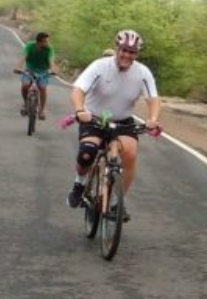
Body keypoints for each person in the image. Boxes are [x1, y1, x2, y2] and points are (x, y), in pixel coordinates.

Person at [66, 29, 163, 216]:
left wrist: (153, 119)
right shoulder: (99, 66)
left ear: (137, 53)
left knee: (131, 154)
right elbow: (78, 90)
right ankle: (79, 183)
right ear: (117, 48)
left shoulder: (143, 72)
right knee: (87, 153)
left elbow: (153, 99)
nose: (127, 55)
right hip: (93, 118)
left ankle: (117, 202)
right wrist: (80, 110)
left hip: (122, 121)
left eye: (132, 52)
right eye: (124, 50)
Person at [15, 32, 59, 119]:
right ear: (38, 42)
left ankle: (41, 110)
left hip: (43, 72)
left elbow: (51, 61)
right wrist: (18, 67)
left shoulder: (49, 49)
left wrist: (53, 70)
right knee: (25, 85)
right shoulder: (29, 46)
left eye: (47, 41)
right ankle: (25, 103)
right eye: (45, 42)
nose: (47, 44)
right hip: (30, 70)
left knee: (42, 88)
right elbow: (23, 57)